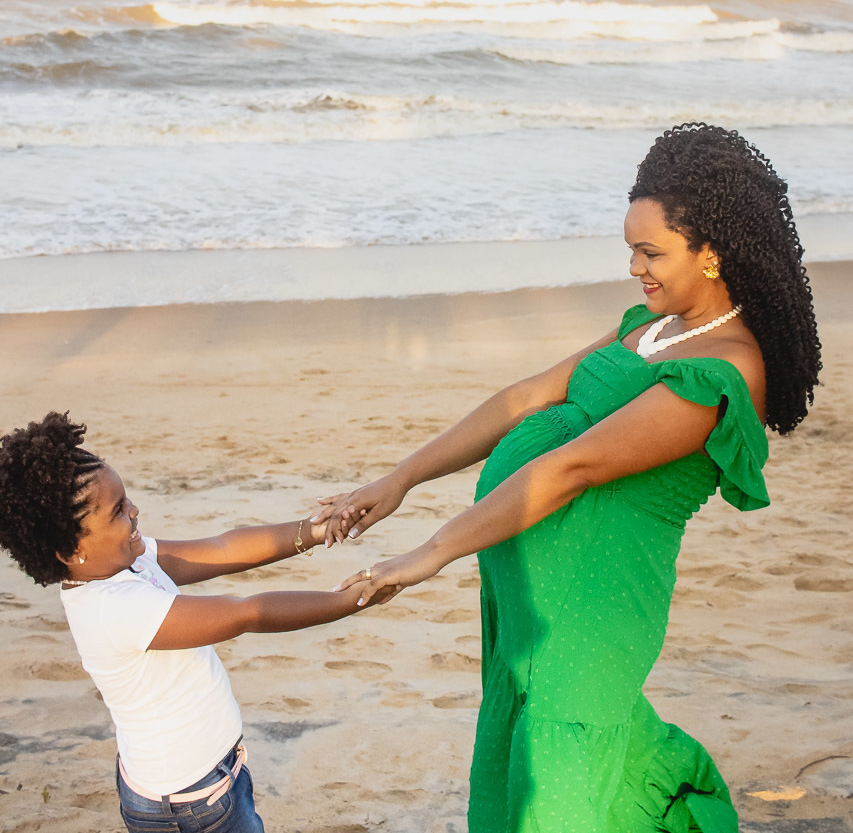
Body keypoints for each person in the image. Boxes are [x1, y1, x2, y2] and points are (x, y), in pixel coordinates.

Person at [314, 122, 822, 833]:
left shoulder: (723, 370)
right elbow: (527, 395)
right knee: (532, 756)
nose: (634, 268)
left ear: (712, 254)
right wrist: (400, 480)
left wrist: (431, 551)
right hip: (531, 590)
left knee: (565, 770)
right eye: (629, 250)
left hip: (590, 603)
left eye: (651, 252)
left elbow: (573, 468)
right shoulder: (651, 327)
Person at [0, 412, 388, 833]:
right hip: (191, 804)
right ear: (68, 549)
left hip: (199, 782)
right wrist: (352, 600)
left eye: (125, 500)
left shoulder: (121, 563)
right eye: (117, 512)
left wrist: (312, 531)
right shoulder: (114, 608)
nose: (134, 512)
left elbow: (222, 549)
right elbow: (247, 614)